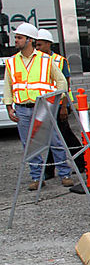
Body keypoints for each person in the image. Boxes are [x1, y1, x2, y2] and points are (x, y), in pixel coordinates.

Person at [3, 23, 73, 190]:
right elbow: (8, 86)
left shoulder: (45, 60)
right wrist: (9, 107)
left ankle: (65, 174)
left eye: (19, 38)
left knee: (54, 140)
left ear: (30, 40)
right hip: (22, 108)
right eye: (16, 38)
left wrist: (57, 100)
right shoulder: (12, 62)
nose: (16, 41)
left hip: (42, 108)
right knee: (29, 145)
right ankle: (37, 177)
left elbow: (61, 81)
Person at [35, 29, 86, 179]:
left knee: (60, 136)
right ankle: (80, 162)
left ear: (48, 44)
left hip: (58, 105)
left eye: (40, 45)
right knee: (59, 136)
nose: (37, 48)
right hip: (46, 105)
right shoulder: (36, 61)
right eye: (36, 45)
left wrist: (64, 106)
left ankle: (56, 169)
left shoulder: (59, 60)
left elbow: (66, 85)